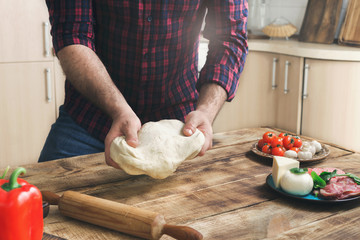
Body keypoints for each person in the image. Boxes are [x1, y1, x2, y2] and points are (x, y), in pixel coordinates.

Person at [38, 0, 248, 169]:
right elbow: (72, 36)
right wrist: (118, 109)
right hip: (89, 121)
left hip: (179, 129)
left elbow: (230, 37)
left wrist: (206, 111)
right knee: (43, 208)